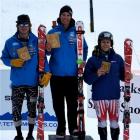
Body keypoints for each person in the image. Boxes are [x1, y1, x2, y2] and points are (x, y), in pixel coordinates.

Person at [1, 14, 51, 140]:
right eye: (21, 25)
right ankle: (19, 134)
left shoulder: (36, 41)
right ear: (17, 26)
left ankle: (30, 135)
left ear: (30, 26)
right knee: (16, 109)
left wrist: (47, 72)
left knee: (32, 109)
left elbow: (43, 58)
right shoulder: (10, 42)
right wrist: (12, 62)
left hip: (32, 82)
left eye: (26, 25)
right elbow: (4, 58)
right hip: (17, 82)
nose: (24, 27)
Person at [46, 5, 88, 138]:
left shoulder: (77, 32)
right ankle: (61, 128)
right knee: (58, 104)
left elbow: (84, 50)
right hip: (56, 75)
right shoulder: (53, 32)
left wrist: (79, 63)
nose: (65, 17)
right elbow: (48, 53)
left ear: (71, 17)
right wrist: (47, 48)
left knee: (72, 104)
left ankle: (73, 127)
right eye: (63, 14)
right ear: (60, 16)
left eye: (68, 15)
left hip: (72, 75)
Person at [84, 31, 132, 140]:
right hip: (99, 96)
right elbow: (87, 79)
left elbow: (123, 75)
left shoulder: (118, 58)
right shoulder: (93, 60)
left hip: (113, 96)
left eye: (108, 42)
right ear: (99, 43)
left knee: (114, 123)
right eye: (103, 42)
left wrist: (128, 76)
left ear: (111, 43)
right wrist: (97, 73)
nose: (105, 44)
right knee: (102, 123)